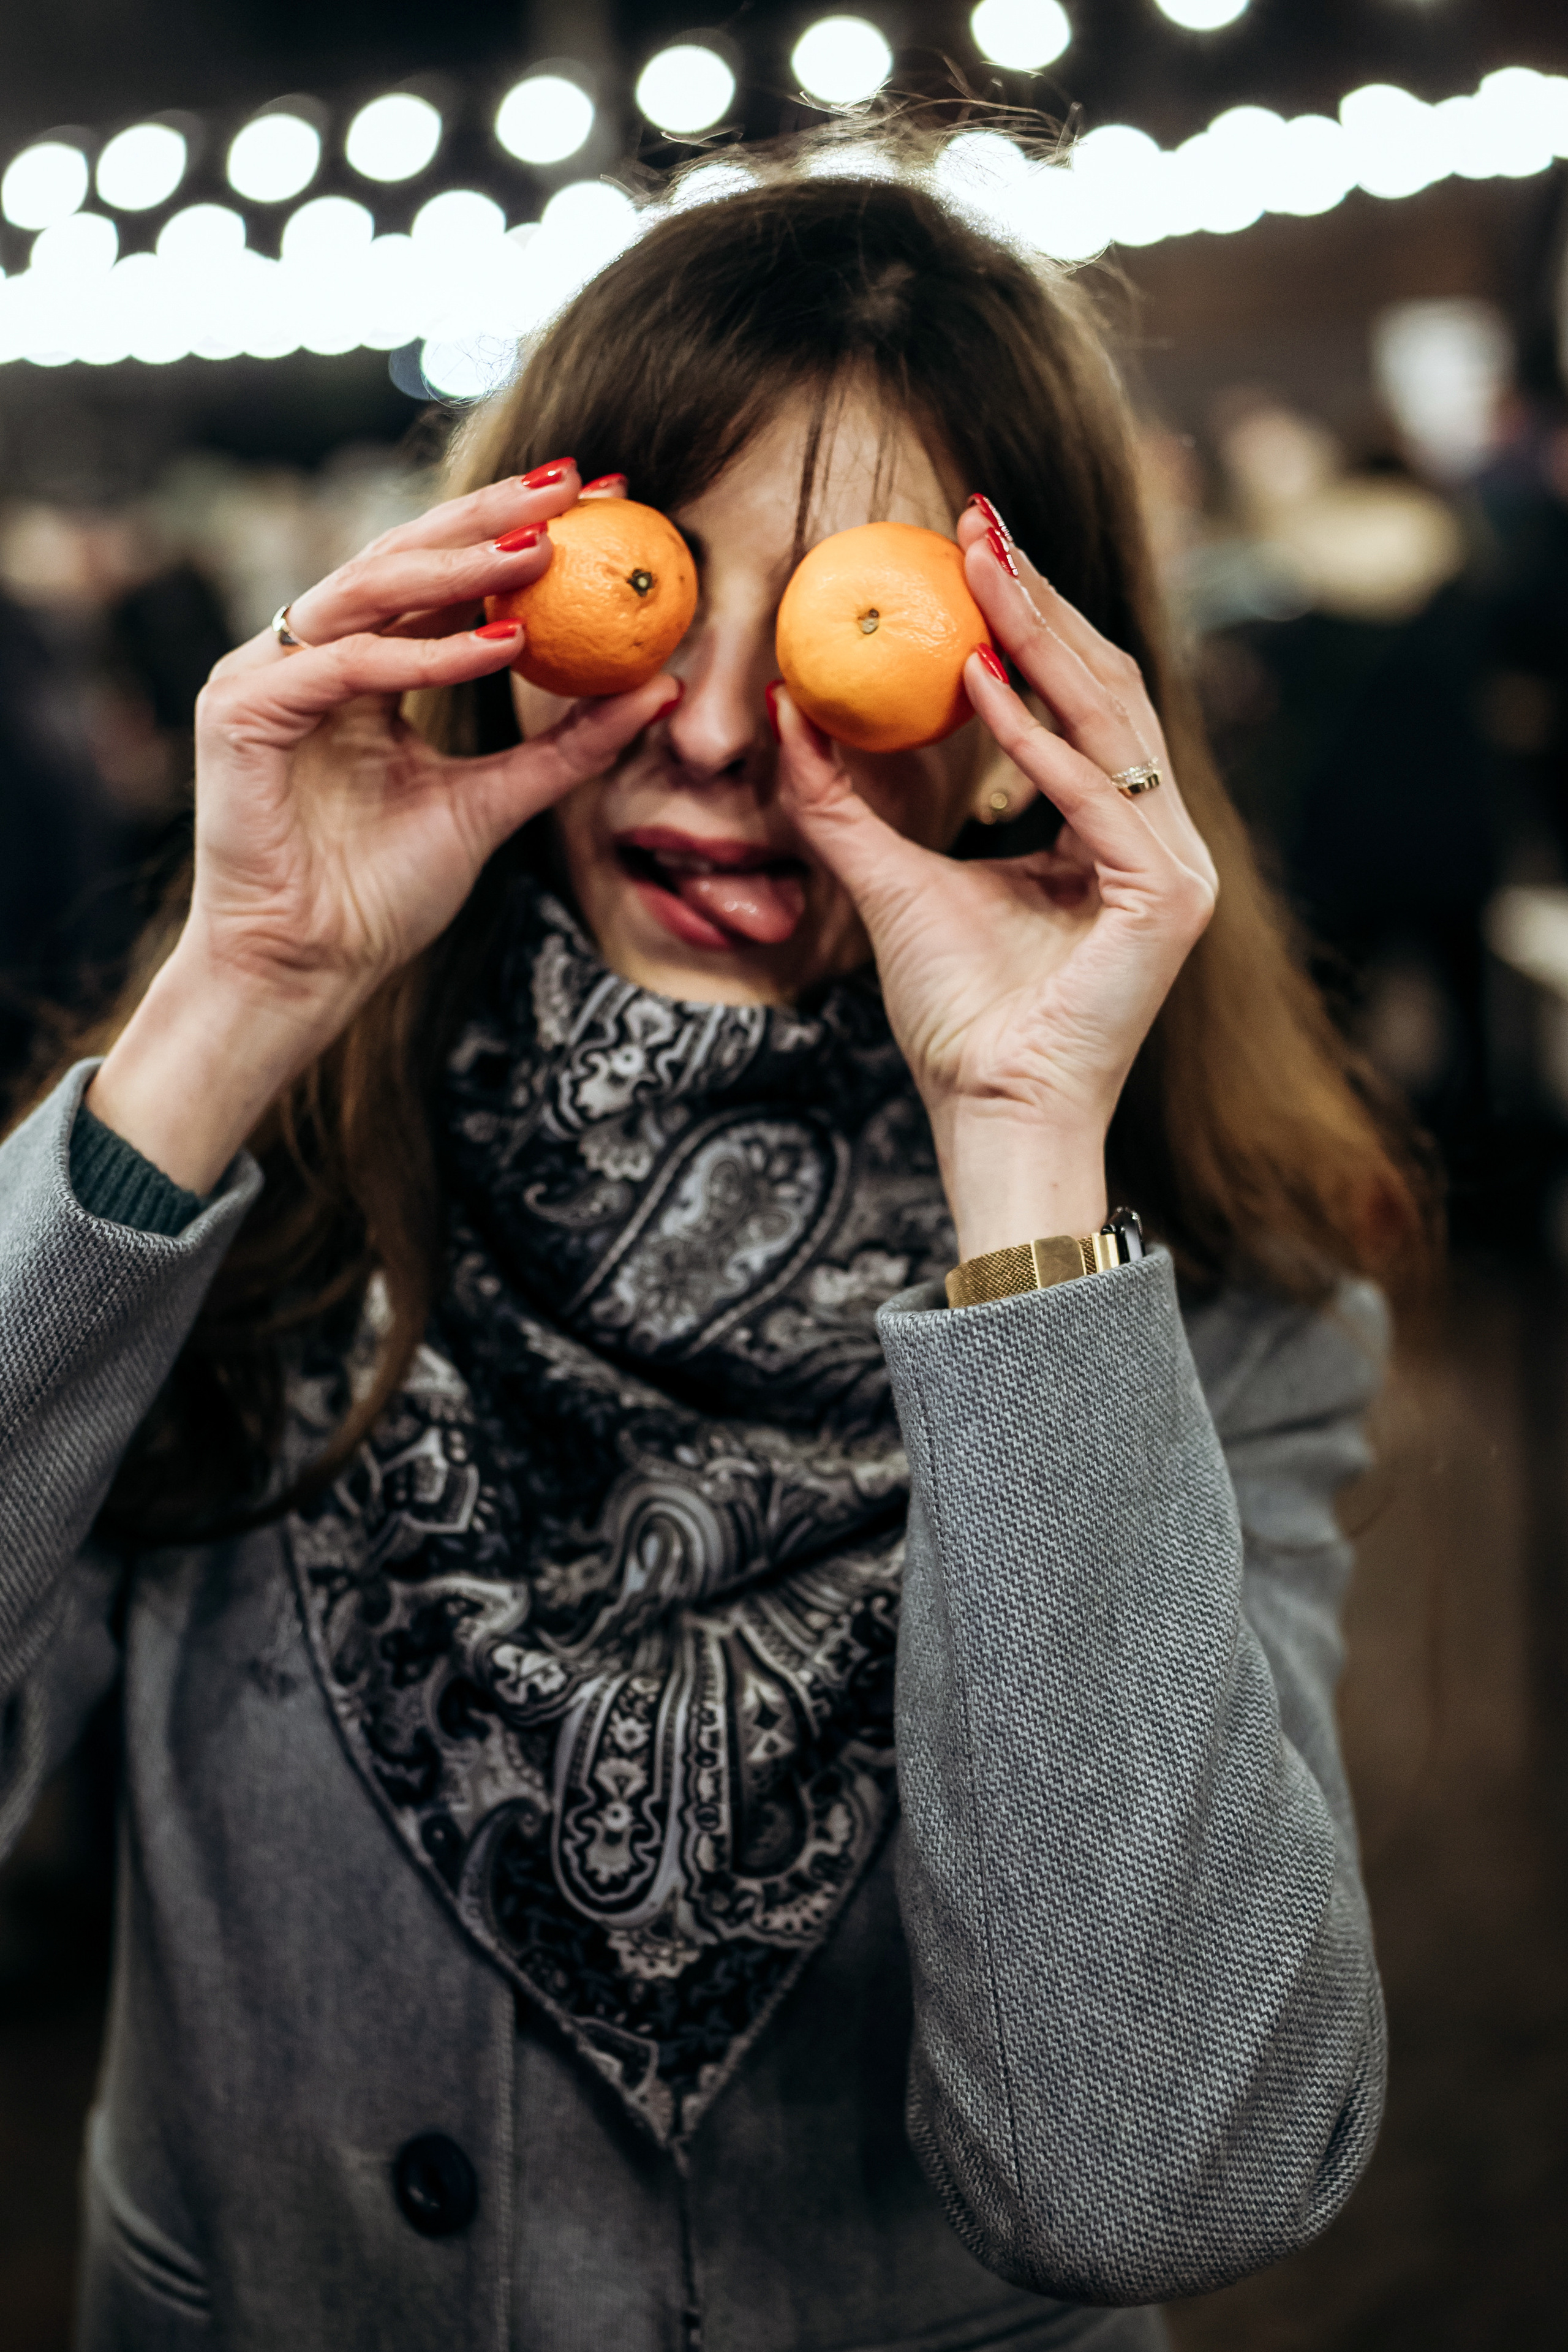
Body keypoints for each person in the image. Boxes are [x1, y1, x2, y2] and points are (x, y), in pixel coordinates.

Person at [0, 154, 1425, 2352]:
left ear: (1059, 694)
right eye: (656, 595)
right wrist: (232, 1001)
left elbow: (1153, 2170)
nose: (725, 734)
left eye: (859, 631)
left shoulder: (1221, 1305)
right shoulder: (242, 1196)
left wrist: (1025, 1144)